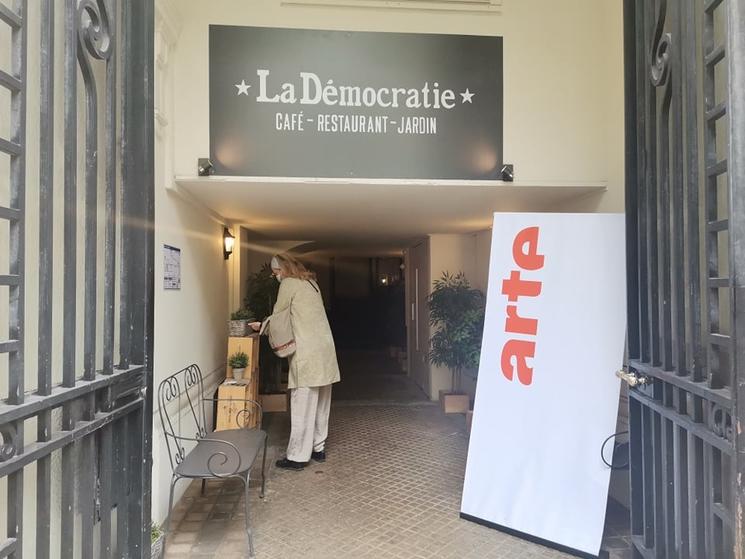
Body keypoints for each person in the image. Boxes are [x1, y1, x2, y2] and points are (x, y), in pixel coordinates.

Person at [250, 253, 341, 470]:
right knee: (321, 403)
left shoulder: (289, 284)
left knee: (302, 403)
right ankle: (318, 448)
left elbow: (279, 316)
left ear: (285, 270)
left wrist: (261, 327)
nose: (276, 277)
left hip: (307, 353)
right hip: (325, 351)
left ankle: (297, 457)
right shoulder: (311, 283)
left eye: (276, 272)